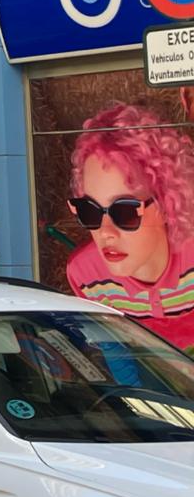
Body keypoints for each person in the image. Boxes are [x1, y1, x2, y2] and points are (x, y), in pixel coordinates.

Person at [65, 102, 194, 353]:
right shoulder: (87, 275)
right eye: (89, 210)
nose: (105, 232)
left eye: (124, 211)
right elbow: (117, 352)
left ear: (167, 203)